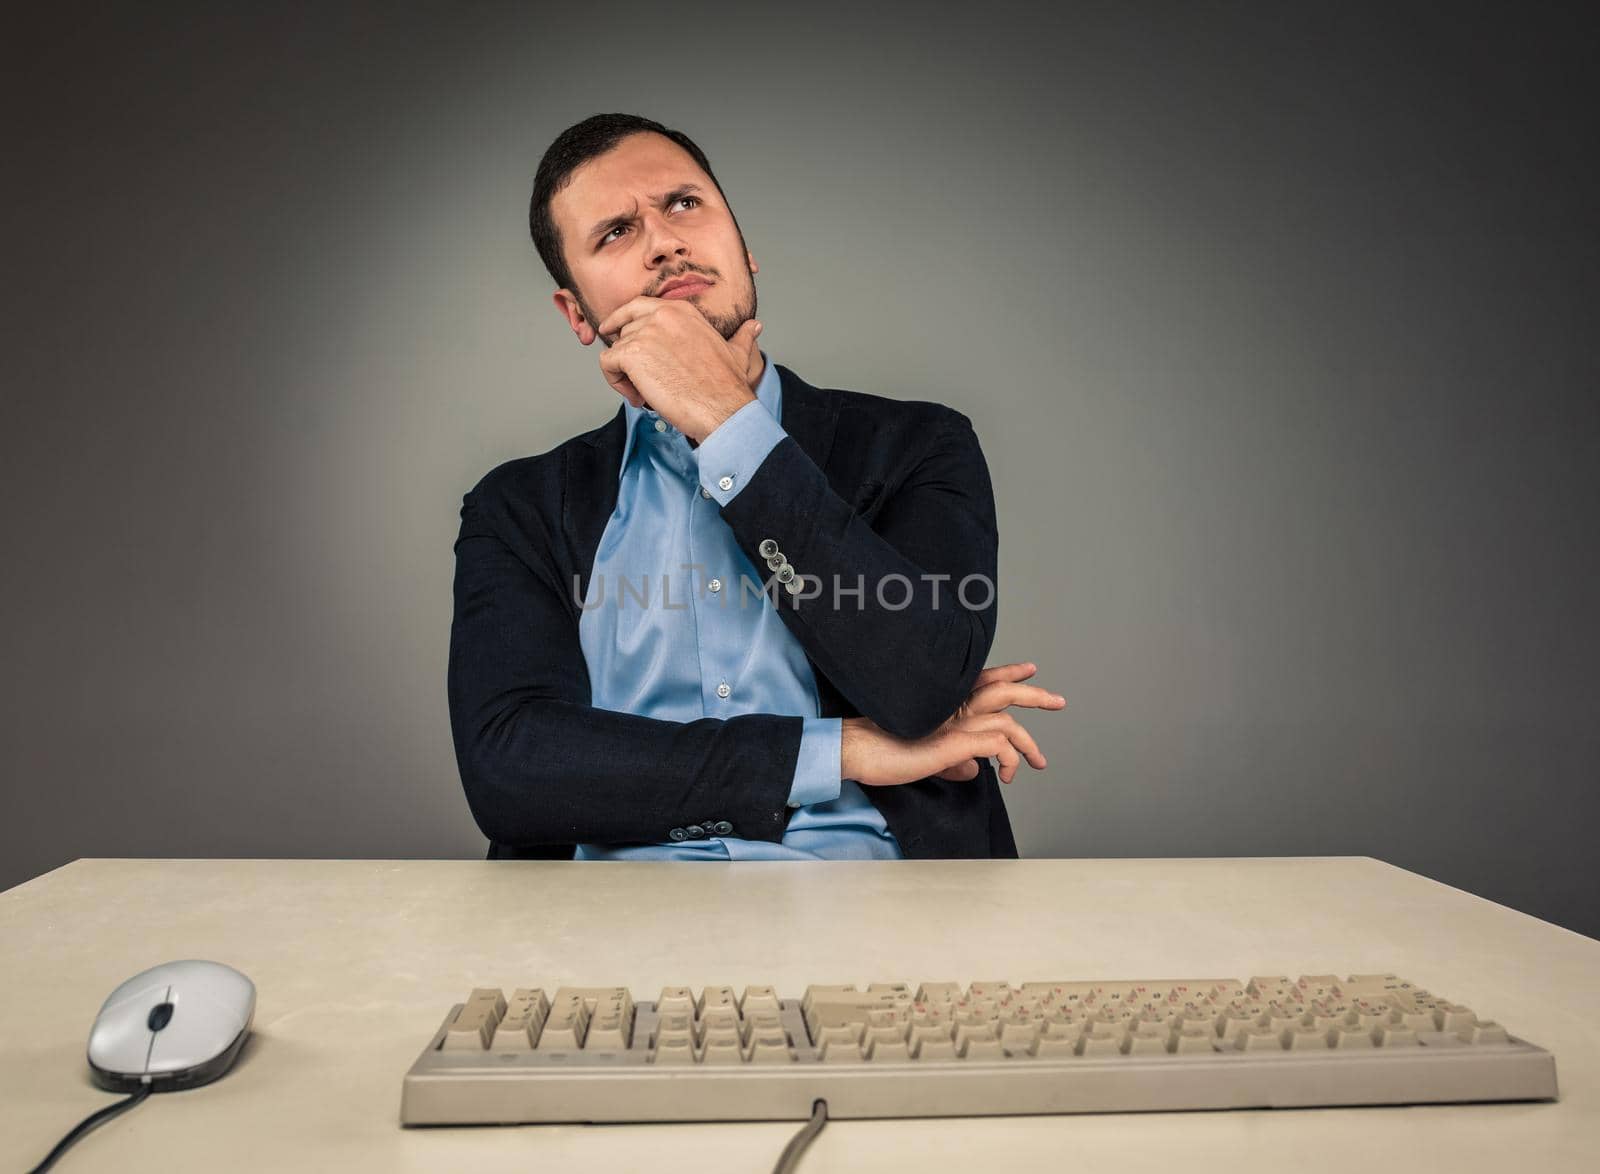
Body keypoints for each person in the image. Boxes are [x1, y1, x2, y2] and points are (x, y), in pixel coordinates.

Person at [447, 113, 1065, 861]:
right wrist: (836, 751)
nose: (664, 241)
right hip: (605, 926)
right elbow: (513, 772)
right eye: (614, 232)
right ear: (578, 312)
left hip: (886, 914)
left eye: (683, 204)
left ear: (744, 248)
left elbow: (920, 683)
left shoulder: (918, 445)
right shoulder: (518, 509)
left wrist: (727, 422)